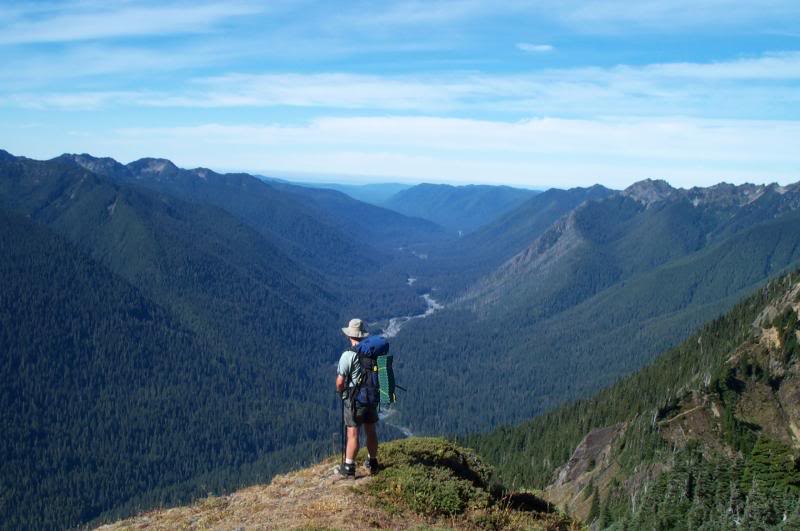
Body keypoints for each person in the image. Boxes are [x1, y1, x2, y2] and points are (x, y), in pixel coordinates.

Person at [336, 318, 379, 477]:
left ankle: (349, 467)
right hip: (371, 398)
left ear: (350, 336)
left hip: (355, 400)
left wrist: (341, 392)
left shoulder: (348, 355)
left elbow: (340, 382)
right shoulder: (373, 353)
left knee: (353, 433)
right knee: (371, 430)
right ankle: (373, 461)